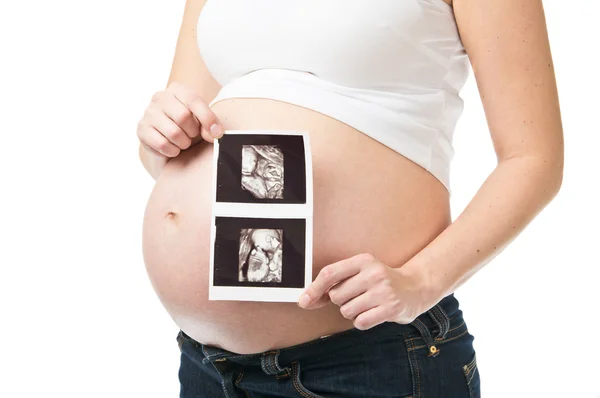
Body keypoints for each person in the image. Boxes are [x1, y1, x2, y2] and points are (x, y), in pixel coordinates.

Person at [137, 0, 564, 397]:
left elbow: (534, 160)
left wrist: (423, 280)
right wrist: (161, 136)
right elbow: (171, 142)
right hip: (207, 365)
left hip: (367, 360)